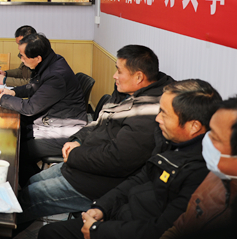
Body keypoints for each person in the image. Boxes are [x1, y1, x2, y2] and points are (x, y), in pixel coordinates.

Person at [38, 79, 221, 239]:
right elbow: (139, 179)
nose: (157, 119)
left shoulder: (202, 174)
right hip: (120, 216)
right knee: (50, 232)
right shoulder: (169, 142)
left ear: (194, 126)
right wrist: (102, 208)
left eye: (164, 114)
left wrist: (98, 231)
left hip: (131, 229)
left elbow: (161, 229)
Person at [17, 45, 174, 220]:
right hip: (84, 164)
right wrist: (77, 140)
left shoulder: (148, 113)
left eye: (119, 71)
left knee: (28, 197)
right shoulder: (126, 92)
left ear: (139, 77)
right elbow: (98, 122)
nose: (114, 75)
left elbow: (117, 159)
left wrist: (75, 155)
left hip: (99, 183)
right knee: (31, 182)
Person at [0, 33, 87, 183]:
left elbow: (30, 108)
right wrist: (13, 92)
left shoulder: (56, 75)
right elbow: (34, 87)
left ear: (38, 58)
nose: (21, 60)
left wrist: (2, 99)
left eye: (23, 57)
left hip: (64, 130)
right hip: (52, 121)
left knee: (17, 151)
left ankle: (33, 187)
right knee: (13, 135)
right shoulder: (51, 62)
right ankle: (28, 182)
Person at [161, 98, 237, 239]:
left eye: (215, 138)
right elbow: (181, 226)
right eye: (210, 131)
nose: (206, 140)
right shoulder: (216, 174)